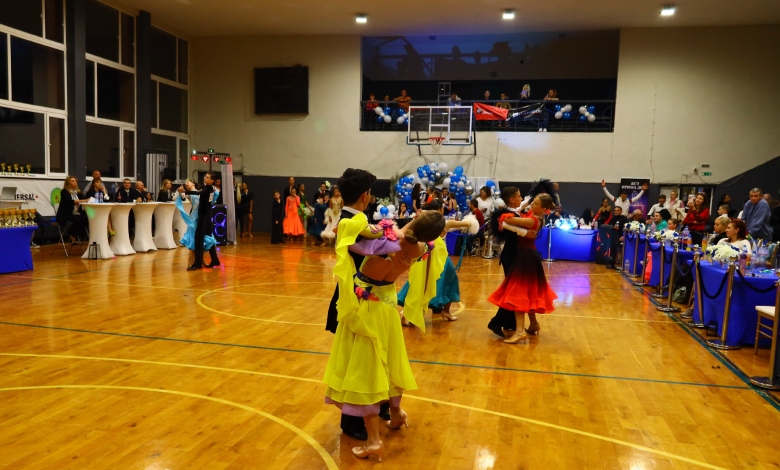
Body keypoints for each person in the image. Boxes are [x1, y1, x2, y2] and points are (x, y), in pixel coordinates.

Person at [323, 210, 446, 462]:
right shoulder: (422, 248)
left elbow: (343, 235)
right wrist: (415, 223)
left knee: (366, 372)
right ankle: (397, 412)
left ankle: (374, 441)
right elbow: (415, 235)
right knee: (389, 363)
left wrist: (366, 226)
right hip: (388, 308)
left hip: (367, 309)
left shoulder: (386, 240)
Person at [323, 168, 389, 441]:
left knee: (372, 354)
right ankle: (352, 420)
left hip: (363, 294)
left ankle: (379, 404)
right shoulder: (355, 221)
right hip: (357, 296)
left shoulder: (351, 219)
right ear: (365, 195)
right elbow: (379, 246)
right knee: (358, 360)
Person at [488, 193, 557, 343]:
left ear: (544, 208)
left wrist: (504, 221)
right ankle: (533, 323)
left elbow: (508, 219)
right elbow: (521, 212)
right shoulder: (534, 216)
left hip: (525, 257)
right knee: (529, 292)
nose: (533, 204)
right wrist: (522, 207)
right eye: (533, 202)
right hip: (528, 256)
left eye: (536, 204)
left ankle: (520, 331)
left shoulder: (532, 220)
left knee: (518, 293)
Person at [397, 201, 472, 323]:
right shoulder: (445, 223)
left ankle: (409, 314)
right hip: (439, 260)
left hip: (423, 258)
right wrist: (472, 220)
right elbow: (467, 223)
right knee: (449, 282)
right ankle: (443, 311)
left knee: (419, 285)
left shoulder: (422, 223)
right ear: (440, 210)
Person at [486, 187, 539, 338]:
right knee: (513, 290)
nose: (521, 198)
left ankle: (510, 323)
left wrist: (537, 193)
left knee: (516, 290)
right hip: (511, 255)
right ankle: (497, 322)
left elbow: (523, 206)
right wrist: (525, 233)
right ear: (512, 199)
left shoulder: (514, 210)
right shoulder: (505, 214)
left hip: (517, 254)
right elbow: (504, 224)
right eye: (519, 196)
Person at [177, 173, 220, 270]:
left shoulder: (206, 189)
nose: (205, 178)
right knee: (207, 237)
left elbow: (199, 193)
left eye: (208, 178)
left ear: (212, 180)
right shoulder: (212, 189)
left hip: (204, 216)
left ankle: (198, 264)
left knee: (199, 238)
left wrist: (185, 191)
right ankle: (215, 259)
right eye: (205, 177)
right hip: (206, 215)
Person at [57, 175, 89, 243]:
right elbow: (71, 201)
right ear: (68, 183)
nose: (75, 183)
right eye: (73, 181)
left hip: (76, 213)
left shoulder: (77, 192)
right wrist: (84, 200)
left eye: (76, 181)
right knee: (80, 219)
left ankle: (74, 234)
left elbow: (83, 199)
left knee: (87, 218)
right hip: (66, 214)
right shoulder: (64, 192)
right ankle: (72, 234)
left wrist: (87, 200)